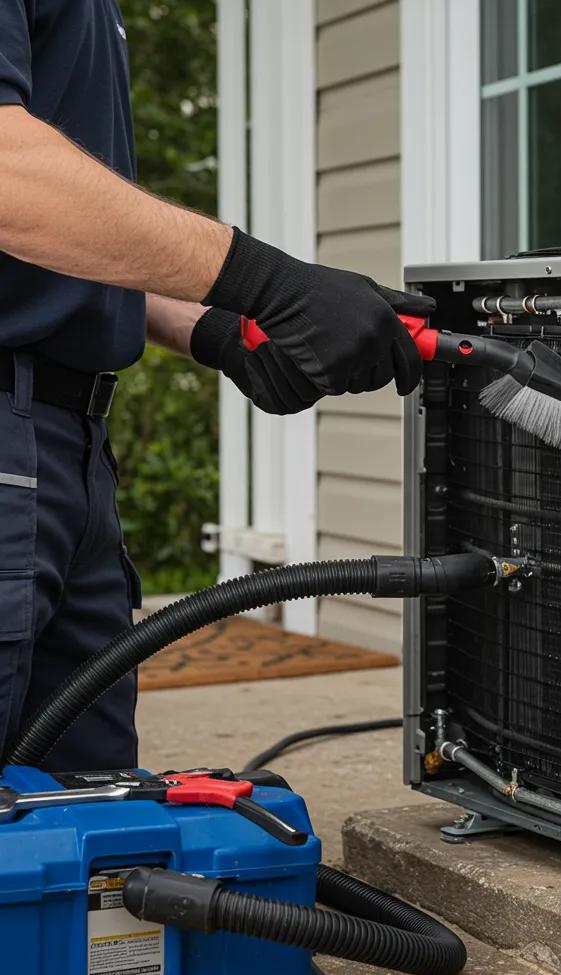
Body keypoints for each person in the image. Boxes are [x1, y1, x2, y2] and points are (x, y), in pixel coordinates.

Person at [0, 1, 433, 770]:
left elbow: (64, 234)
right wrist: (268, 281)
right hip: (13, 437)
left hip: (69, 444)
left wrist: (220, 329)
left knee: (88, 802)